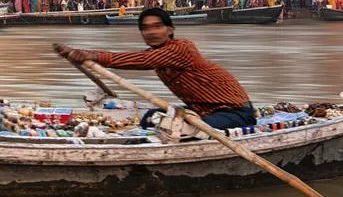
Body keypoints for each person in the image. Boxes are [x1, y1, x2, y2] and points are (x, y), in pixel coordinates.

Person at [57, 7, 256, 132]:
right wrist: (81, 54)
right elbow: (138, 57)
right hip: (202, 111)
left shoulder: (181, 48)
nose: (151, 32)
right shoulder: (157, 54)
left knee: (184, 130)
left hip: (235, 112)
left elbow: (142, 60)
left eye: (157, 27)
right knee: (150, 118)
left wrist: (90, 56)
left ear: (170, 30)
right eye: (145, 28)